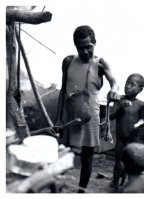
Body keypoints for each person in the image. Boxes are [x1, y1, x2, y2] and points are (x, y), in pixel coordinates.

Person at [55, 25, 119, 193]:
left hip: (91, 115)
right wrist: (58, 118)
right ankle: (56, 188)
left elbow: (114, 80)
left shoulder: (100, 63)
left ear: (95, 43)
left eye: (88, 47)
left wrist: (114, 88)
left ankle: (81, 192)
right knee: (64, 153)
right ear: (74, 45)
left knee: (87, 157)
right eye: (80, 47)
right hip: (71, 114)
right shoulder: (68, 61)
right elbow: (63, 90)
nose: (84, 51)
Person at [109, 73, 144, 192]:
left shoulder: (141, 105)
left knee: (129, 164)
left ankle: (124, 182)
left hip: (133, 139)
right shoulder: (119, 99)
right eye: (127, 83)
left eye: (132, 84)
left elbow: (142, 119)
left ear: (140, 89)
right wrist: (120, 108)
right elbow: (111, 116)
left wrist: (141, 123)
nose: (128, 86)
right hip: (120, 139)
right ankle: (115, 186)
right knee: (118, 163)